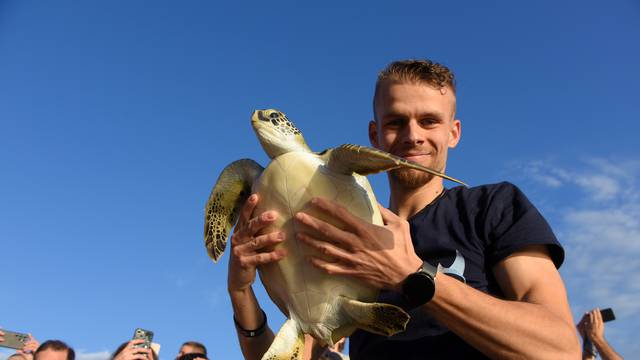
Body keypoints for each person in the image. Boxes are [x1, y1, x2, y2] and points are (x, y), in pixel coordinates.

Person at [227, 59, 581, 359]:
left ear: (453, 133)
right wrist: (241, 293)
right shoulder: (341, 228)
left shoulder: (491, 207)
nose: (413, 135)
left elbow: (561, 348)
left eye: (429, 121)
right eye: (396, 122)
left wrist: (413, 276)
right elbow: (299, 353)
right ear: (375, 134)